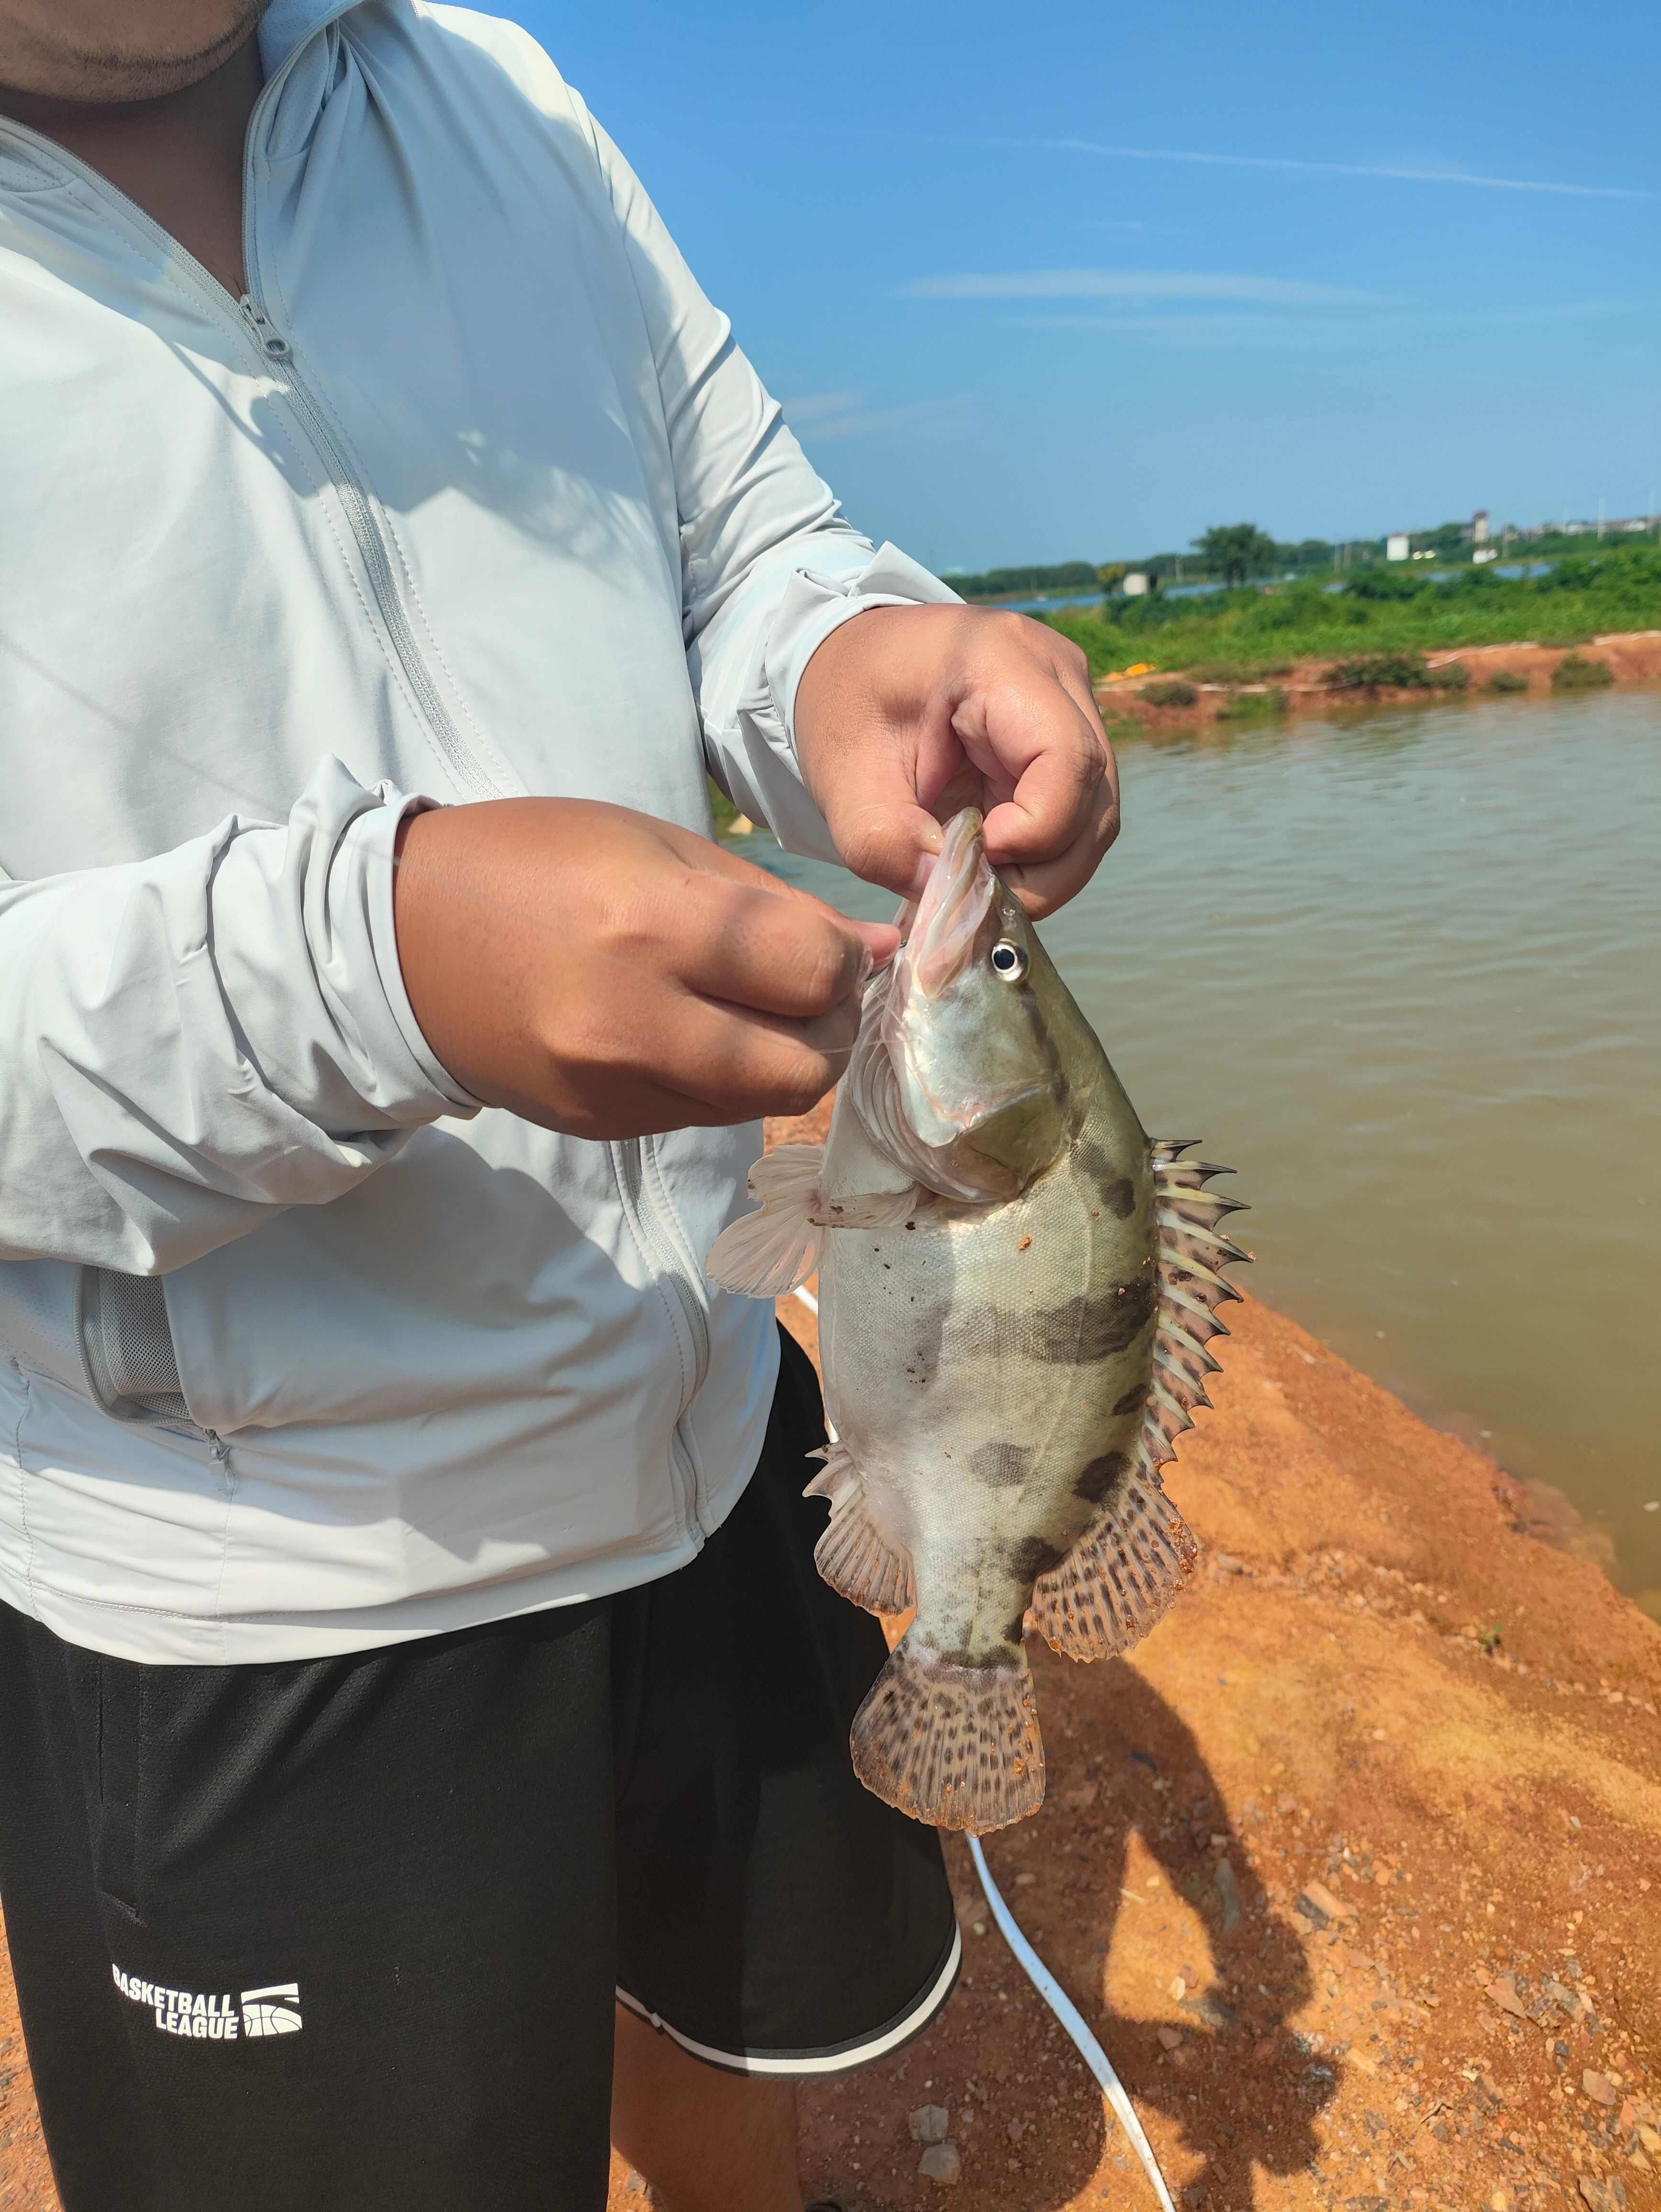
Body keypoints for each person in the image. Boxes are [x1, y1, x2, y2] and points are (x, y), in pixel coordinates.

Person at [0, 3, 1119, 2206]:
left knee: (728, 2062)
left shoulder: (488, 88)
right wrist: (370, 963)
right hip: (268, 1579)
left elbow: (744, 527)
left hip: (716, 1429)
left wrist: (838, 666)